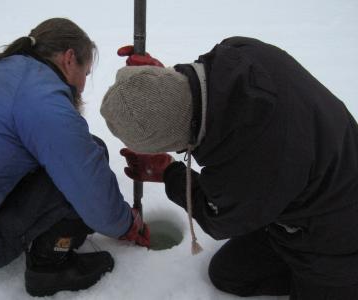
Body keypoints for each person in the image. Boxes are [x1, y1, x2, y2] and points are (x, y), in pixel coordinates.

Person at [100, 37, 358, 300]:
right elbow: (194, 98)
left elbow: (219, 218)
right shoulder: (237, 51)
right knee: (228, 275)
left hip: (337, 241)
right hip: (307, 188)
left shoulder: (253, 165)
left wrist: (169, 173)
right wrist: (159, 85)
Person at [0, 18, 150, 297]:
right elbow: (89, 187)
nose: (83, 86)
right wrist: (126, 224)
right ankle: (49, 269)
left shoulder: (0, 71)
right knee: (84, 165)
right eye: (86, 72)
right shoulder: (42, 100)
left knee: (71, 157)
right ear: (70, 58)